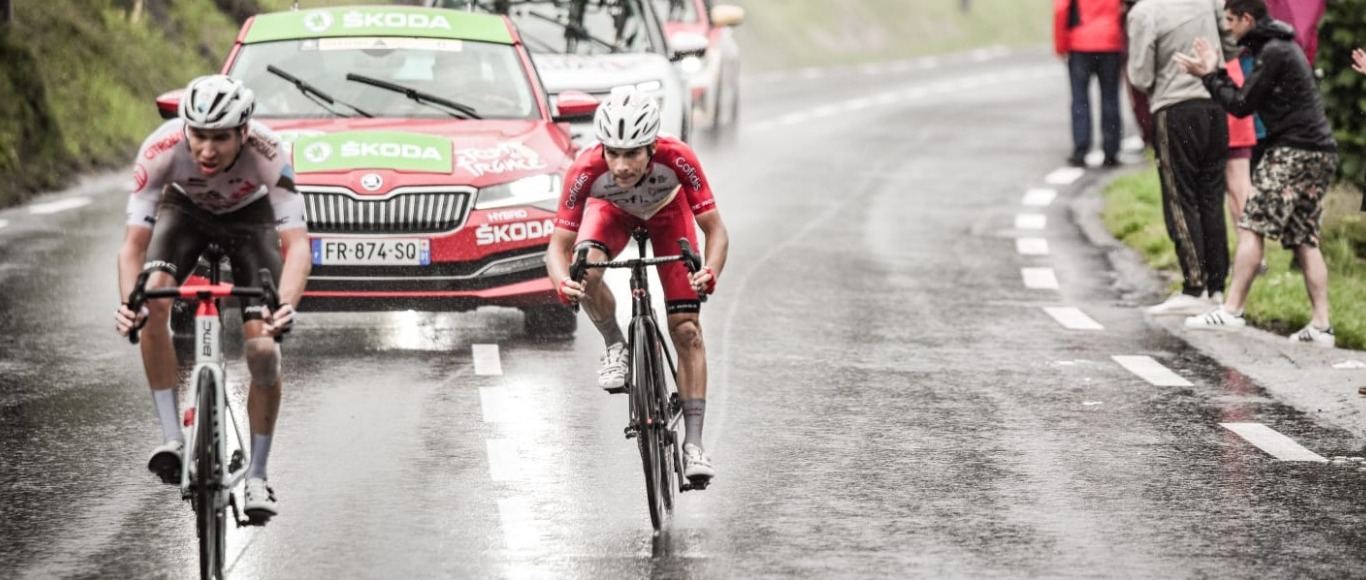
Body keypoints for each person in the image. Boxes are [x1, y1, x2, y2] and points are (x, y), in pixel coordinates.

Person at [114, 74, 310, 518]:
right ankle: (173, 441)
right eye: (198, 135)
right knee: (155, 302)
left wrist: (285, 307)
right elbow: (132, 247)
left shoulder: (269, 154)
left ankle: (257, 477)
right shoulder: (160, 150)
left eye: (220, 138)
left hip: (250, 221)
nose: (206, 150)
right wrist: (131, 304)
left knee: (262, 350)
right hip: (184, 212)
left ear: (243, 132)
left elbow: (298, 246)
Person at [545, 88, 729, 483]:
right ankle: (616, 344)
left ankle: (693, 444)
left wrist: (709, 271)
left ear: (651, 147)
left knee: (687, 330)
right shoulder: (585, 169)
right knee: (585, 271)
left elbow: (715, 230)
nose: (621, 165)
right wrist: (562, 281)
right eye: (613, 152)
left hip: (668, 216)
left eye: (632, 154)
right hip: (611, 214)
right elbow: (557, 249)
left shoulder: (678, 157)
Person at [1175, 0, 1339, 347]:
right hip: (1318, 151)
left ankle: (1232, 310)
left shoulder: (1275, 51)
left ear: (1248, 19)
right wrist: (1214, 74)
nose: (1228, 29)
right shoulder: (1278, 46)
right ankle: (1321, 326)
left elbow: (1240, 105)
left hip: (1293, 151)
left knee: (1251, 224)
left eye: (1231, 21)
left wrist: (1208, 75)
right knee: (1304, 237)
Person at [1127, 0, 1237, 315]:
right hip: (1215, 106)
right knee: (1211, 197)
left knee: (1180, 197)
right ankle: (1217, 287)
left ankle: (1194, 285)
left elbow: (1140, 75)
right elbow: (1230, 46)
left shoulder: (1146, 12)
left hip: (1175, 108)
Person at [1055, 0, 1126, 167]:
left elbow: (1061, 10)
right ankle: (1111, 151)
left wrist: (1061, 45)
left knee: (1080, 100)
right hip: (1110, 42)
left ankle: (1081, 149)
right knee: (1110, 98)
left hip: (1080, 43)